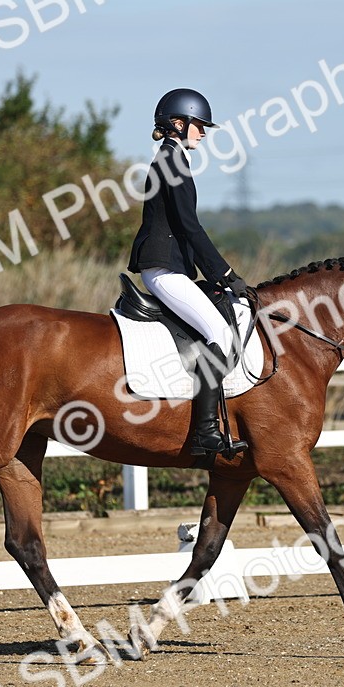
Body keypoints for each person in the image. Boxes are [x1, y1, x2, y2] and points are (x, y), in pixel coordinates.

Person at [127, 88, 249, 456]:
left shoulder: (172, 158)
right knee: (219, 334)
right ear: (178, 124)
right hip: (164, 269)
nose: (204, 132)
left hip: (170, 266)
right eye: (199, 125)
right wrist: (226, 274)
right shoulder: (172, 161)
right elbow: (190, 227)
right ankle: (204, 433)